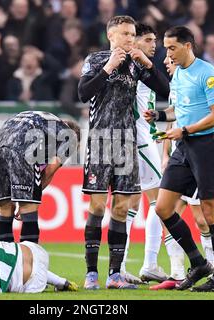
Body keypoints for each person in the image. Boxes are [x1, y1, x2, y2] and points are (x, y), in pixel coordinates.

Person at [78, 15, 169, 290]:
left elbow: (165, 89)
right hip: (101, 141)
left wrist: (148, 64)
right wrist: (107, 68)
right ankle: (91, 273)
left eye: (132, 34)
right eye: (125, 34)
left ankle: (115, 275)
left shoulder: (135, 63)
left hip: (128, 143)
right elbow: (83, 93)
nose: (130, 39)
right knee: (97, 207)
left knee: (121, 207)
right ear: (112, 36)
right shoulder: (95, 59)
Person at [144, 26, 214, 292]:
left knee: (209, 212)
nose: (167, 54)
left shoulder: (207, 73)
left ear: (188, 46)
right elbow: (177, 111)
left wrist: (185, 130)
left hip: (207, 146)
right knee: (163, 208)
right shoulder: (178, 75)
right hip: (183, 146)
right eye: (166, 48)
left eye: (172, 48)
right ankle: (199, 263)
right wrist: (159, 117)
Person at [120, 23, 168, 285]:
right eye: (148, 40)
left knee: (131, 204)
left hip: (144, 136)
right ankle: (150, 263)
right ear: (134, 41)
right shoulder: (131, 67)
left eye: (155, 40)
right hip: (140, 138)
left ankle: (121, 266)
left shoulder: (142, 67)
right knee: (161, 201)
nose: (154, 45)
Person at [0, 111, 81, 245]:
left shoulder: (47, 122)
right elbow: (50, 170)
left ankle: (5, 261)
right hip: (22, 148)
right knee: (29, 208)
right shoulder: (70, 136)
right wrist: (29, 197)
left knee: (4, 207)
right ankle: (29, 262)